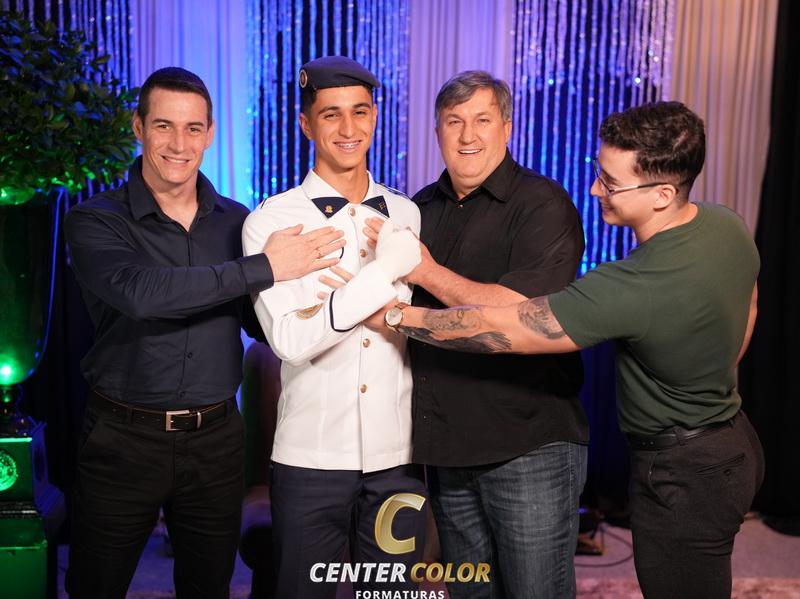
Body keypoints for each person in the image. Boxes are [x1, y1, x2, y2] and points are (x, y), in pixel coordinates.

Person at [384, 101, 764, 599]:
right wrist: (714, 371)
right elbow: (750, 299)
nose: (594, 190)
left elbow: (501, 330)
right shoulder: (725, 224)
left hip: (683, 475)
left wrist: (399, 314)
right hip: (733, 442)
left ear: (663, 194)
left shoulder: (627, 286)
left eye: (610, 182)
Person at [63, 67, 345, 598]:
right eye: (163, 126)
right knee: (95, 587)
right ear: (138, 127)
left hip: (216, 441)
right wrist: (264, 267)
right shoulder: (95, 219)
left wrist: (332, 299)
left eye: (193, 128)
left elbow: (259, 321)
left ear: (210, 133)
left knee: (209, 588)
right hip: (122, 441)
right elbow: (142, 293)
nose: (179, 143)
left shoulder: (239, 222)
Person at [366, 70, 588, 598]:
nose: (468, 135)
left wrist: (426, 272)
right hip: (446, 449)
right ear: (437, 132)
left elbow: (521, 314)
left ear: (506, 128)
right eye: (454, 121)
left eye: (482, 120)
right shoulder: (417, 210)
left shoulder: (543, 204)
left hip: (528, 446)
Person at [241, 56, 426, 599]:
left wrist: (340, 305)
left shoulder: (406, 214)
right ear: (306, 124)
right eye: (331, 114)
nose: (349, 128)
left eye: (360, 112)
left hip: (397, 457)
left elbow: (411, 329)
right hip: (310, 458)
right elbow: (291, 340)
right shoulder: (271, 222)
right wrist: (382, 275)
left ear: (375, 116)